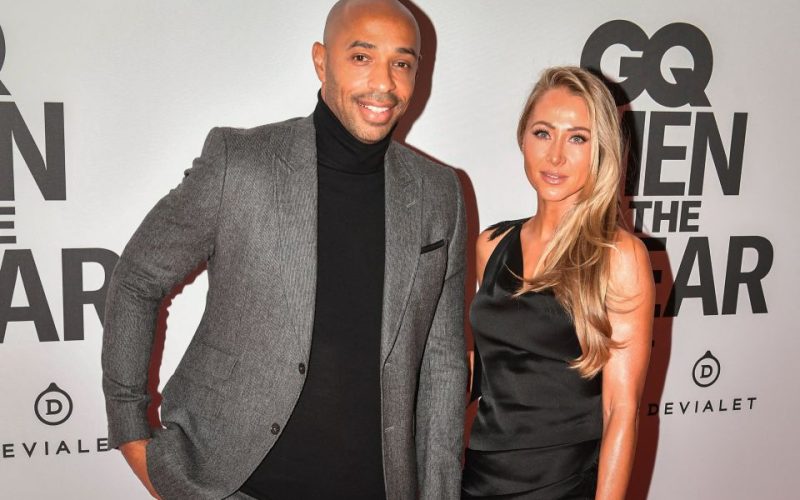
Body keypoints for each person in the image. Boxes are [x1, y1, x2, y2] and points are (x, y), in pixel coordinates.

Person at [101, 1, 468, 499]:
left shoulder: (438, 192)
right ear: (322, 61)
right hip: (234, 485)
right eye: (362, 57)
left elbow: (444, 362)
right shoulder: (242, 164)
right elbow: (138, 278)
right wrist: (128, 426)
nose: (384, 82)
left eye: (401, 63)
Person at [462, 67, 654, 499]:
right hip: (479, 478)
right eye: (543, 133)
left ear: (601, 149)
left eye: (578, 138)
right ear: (522, 139)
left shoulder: (618, 257)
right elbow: (491, 367)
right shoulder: (491, 245)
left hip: (564, 486)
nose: (555, 156)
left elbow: (621, 411)